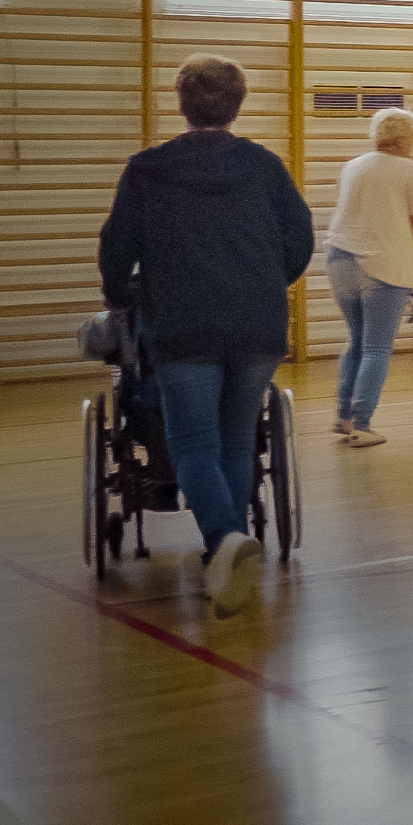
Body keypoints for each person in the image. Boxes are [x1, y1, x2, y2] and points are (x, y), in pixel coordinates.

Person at [96, 54, 314, 619]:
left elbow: (117, 246)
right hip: (258, 322)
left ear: (181, 102)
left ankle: (224, 540)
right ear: (238, 104)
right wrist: (266, 281)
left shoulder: (147, 170)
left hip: (183, 323)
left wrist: (120, 297)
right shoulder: (264, 167)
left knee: (193, 443)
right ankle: (229, 551)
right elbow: (300, 238)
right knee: (238, 437)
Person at [323, 107, 413, 448]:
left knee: (356, 339)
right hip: (384, 265)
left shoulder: (353, 166)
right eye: (412, 137)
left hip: (339, 259)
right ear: (401, 139)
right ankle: (363, 424)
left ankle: (343, 416)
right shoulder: (411, 170)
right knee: (376, 348)